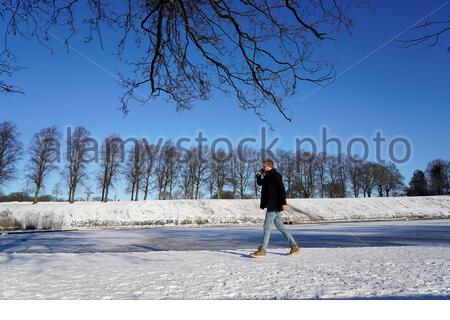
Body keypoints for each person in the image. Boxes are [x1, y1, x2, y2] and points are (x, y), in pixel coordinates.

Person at [250, 159, 300, 258]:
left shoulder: (276, 175)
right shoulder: (268, 176)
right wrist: (258, 175)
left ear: (269, 166)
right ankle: (294, 246)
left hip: (274, 204)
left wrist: (284, 203)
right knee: (280, 227)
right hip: (271, 204)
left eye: (264, 166)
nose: (263, 168)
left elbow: (282, 189)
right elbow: (260, 183)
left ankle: (263, 250)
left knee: (266, 227)